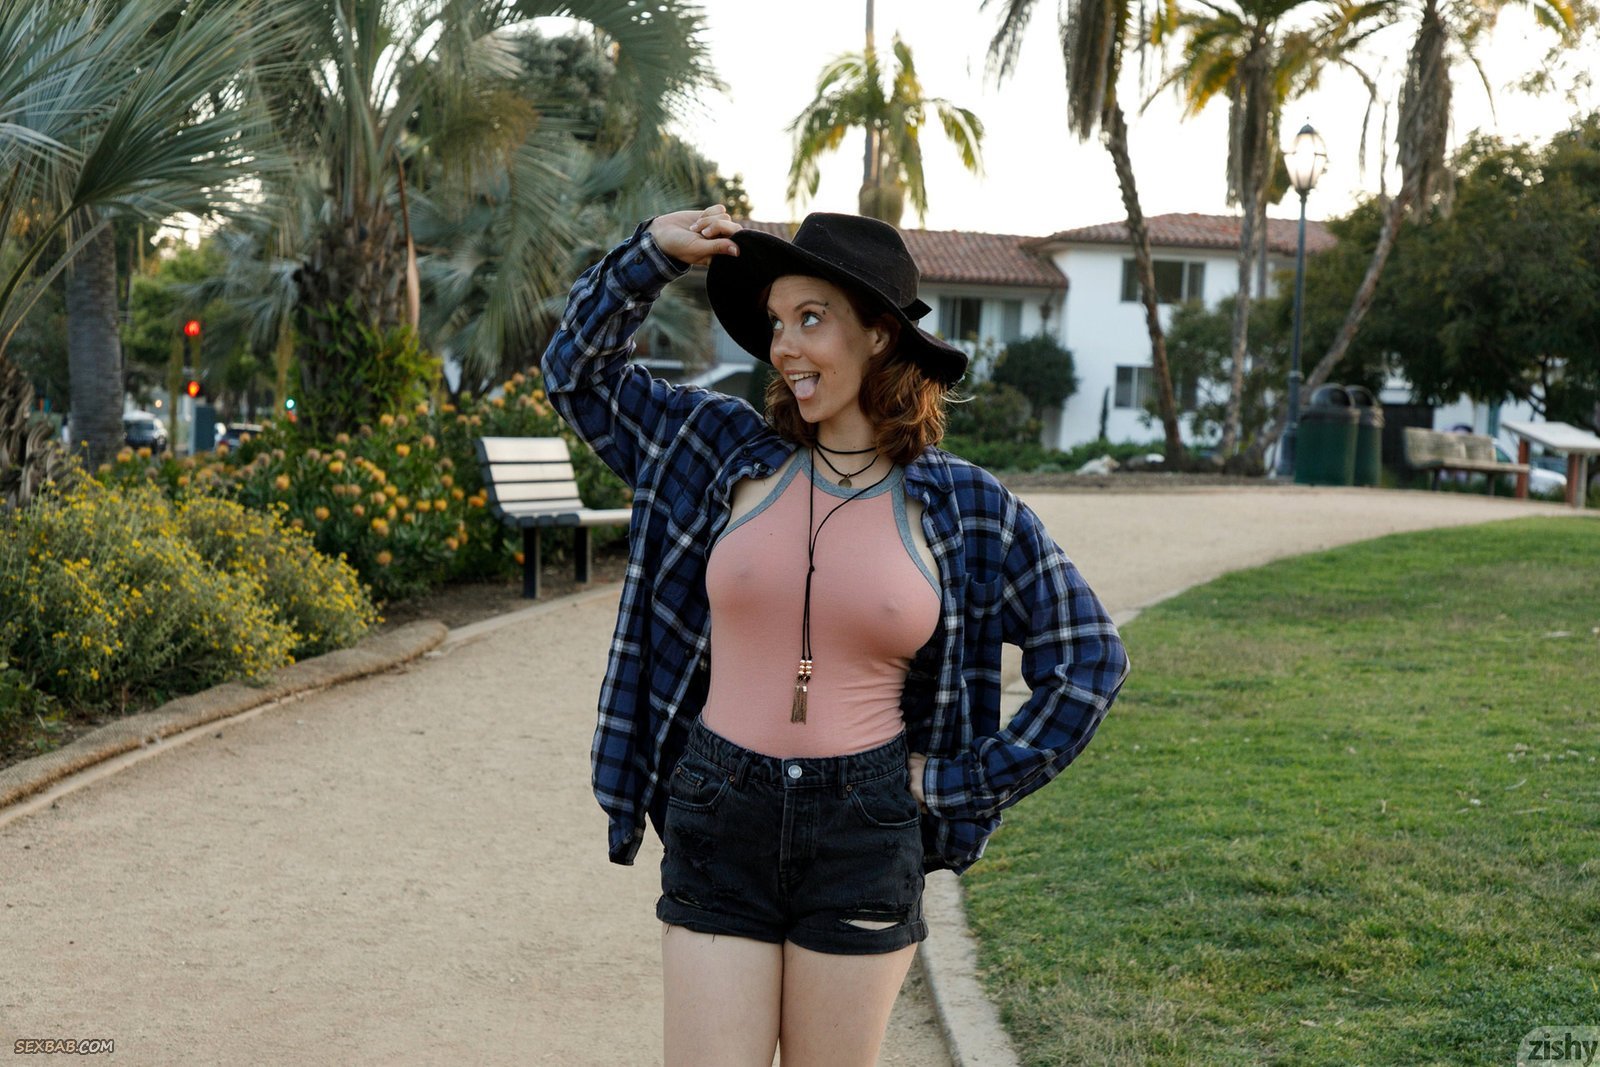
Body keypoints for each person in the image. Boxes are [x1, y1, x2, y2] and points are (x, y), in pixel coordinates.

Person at [542, 204, 1130, 1066]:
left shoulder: (967, 507)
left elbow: (1089, 659)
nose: (784, 347)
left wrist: (961, 782)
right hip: (720, 810)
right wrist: (650, 255)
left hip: (865, 827)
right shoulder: (713, 447)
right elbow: (577, 374)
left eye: (810, 319)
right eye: (777, 322)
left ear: (880, 334)